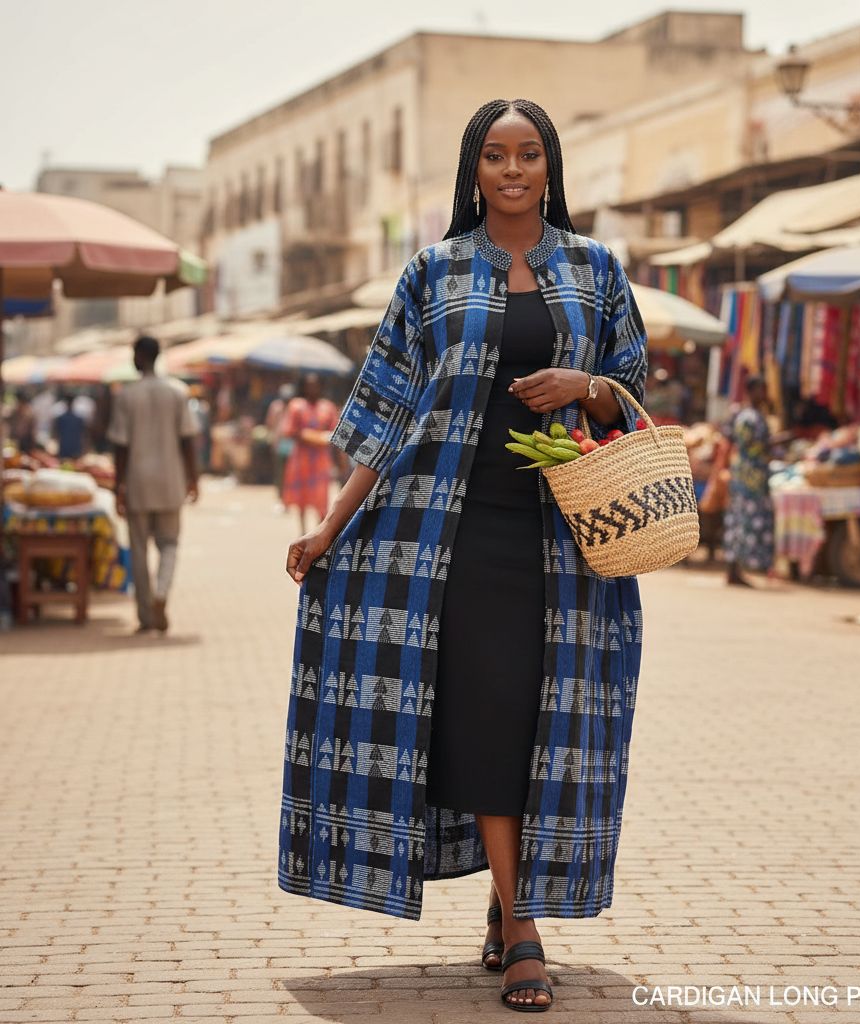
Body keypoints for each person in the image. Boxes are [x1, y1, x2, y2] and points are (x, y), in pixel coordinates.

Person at [280, 98, 648, 1013]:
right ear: (474, 169)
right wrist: (330, 524)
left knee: (545, 724)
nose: (513, 170)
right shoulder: (433, 273)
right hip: (447, 535)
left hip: (566, 539)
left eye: (529, 154)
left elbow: (635, 388)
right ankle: (524, 927)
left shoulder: (596, 270)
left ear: (551, 167)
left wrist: (589, 385)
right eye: (496, 155)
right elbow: (383, 414)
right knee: (486, 712)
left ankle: (502, 896)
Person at [107, 335, 200, 634]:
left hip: (137, 482)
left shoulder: (127, 396)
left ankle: (146, 615)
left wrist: (117, 486)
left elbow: (120, 448)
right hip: (171, 480)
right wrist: (193, 478)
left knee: (138, 550)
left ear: (139, 356)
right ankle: (161, 594)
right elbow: (188, 440)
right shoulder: (176, 392)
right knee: (169, 545)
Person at [721, 374, 788, 587]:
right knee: (744, 522)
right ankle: (735, 570)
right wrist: (777, 442)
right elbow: (753, 446)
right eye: (761, 390)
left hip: (748, 475)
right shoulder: (749, 417)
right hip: (750, 477)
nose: (764, 395)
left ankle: (735, 569)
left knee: (741, 521)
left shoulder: (748, 415)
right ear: (751, 391)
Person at [280, 374, 339, 533]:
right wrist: (308, 436)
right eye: (309, 385)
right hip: (302, 458)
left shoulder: (328, 407)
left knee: (321, 498)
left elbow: (336, 432)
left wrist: (323, 439)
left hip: (321, 459)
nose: (312, 388)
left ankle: (318, 531)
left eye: (315, 385)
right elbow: (289, 431)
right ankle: (303, 531)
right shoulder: (296, 406)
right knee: (302, 498)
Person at [264, 382, 296, 508]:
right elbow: (270, 423)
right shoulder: (275, 406)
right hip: (279, 442)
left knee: (291, 472)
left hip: (291, 443)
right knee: (280, 472)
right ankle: (281, 497)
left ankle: (290, 497)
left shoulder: (295, 407)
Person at [52, 391, 87, 460]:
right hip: (73, 448)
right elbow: (84, 435)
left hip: (65, 448)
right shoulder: (78, 419)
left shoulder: (61, 418)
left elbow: (55, 433)